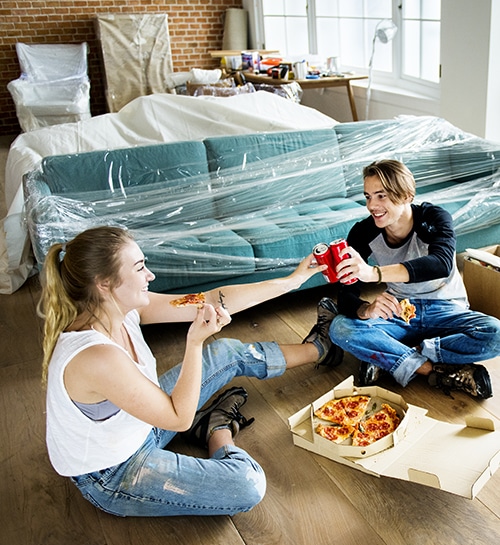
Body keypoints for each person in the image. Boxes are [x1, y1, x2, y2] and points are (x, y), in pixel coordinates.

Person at [38, 225, 338, 518]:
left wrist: (293, 281)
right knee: (247, 484)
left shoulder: (122, 309)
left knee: (225, 352)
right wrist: (194, 342)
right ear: (103, 283)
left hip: (140, 423)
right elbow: (179, 418)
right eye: (140, 267)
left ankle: (320, 348)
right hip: (115, 471)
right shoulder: (96, 357)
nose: (150, 276)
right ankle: (215, 428)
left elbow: (210, 300)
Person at [324, 159, 500, 398]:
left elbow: (440, 263)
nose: (371, 206)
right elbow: (346, 293)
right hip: (400, 311)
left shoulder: (435, 217)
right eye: (367, 196)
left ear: (407, 196)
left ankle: (394, 356)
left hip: (447, 309)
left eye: (381, 196)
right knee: (341, 328)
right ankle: (433, 369)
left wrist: (374, 273)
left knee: (495, 332)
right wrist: (365, 309)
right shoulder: (363, 231)